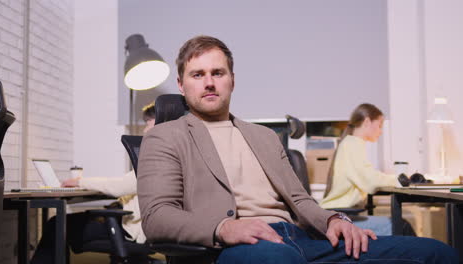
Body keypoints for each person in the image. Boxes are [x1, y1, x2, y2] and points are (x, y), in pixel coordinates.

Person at [137, 35, 458, 264]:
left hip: (302, 237)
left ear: (232, 80)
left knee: (436, 252)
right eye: (198, 75)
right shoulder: (165, 136)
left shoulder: (263, 136)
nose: (209, 82)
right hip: (240, 246)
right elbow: (157, 217)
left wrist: (333, 220)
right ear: (181, 85)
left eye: (217, 73)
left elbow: (301, 199)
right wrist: (224, 227)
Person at [30, 103, 157, 264]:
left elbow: (119, 187)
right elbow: (125, 184)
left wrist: (79, 182)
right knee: (63, 223)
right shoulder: (170, 155)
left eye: (148, 123)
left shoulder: (158, 160)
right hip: (130, 224)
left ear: (160, 123)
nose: (145, 130)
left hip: (128, 230)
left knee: (56, 224)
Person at [319, 103, 406, 235]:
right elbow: (370, 181)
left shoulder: (351, 143)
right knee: (401, 225)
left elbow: (366, 176)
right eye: (379, 125)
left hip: (339, 214)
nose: (381, 131)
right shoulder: (352, 144)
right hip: (340, 217)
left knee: (399, 224)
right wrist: (398, 180)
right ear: (367, 122)